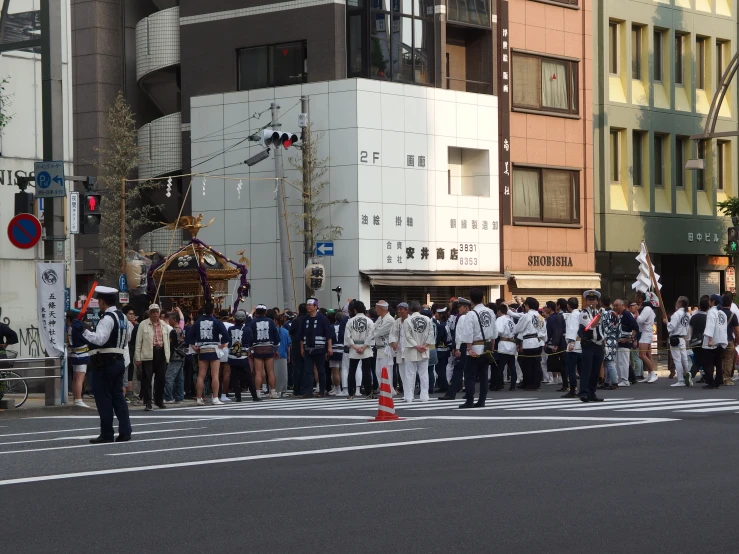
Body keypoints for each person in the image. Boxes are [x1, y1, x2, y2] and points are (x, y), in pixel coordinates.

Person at [73, 286, 132, 443]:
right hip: (119, 359)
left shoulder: (107, 318)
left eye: (98, 301)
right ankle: (125, 431)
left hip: (105, 362)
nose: (98, 304)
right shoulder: (123, 318)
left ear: (102, 301)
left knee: (103, 398)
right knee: (118, 397)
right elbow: (128, 337)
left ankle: (106, 433)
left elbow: (100, 339)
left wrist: (83, 331)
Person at [456, 288, 496, 408]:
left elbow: (468, 332)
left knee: (470, 376)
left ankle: (469, 400)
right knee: (483, 375)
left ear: (471, 300)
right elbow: (494, 332)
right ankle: (482, 400)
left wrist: (469, 349)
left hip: (475, 347)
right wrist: (492, 348)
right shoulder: (490, 312)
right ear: (483, 298)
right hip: (487, 347)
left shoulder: (471, 314)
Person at [187, 302, 229, 405]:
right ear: (213, 311)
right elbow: (226, 335)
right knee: (215, 375)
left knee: (201, 375)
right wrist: (222, 345)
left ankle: (198, 398)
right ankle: (215, 398)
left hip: (202, 349)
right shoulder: (217, 321)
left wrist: (193, 345)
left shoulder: (198, 322)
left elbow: (188, 336)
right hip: (214, 348)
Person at [134, 303, 172, 411]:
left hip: (161, 353)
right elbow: (138, 342)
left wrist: (167, 356)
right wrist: (138, 358)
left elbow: (167, 342)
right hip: (148, 353)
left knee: (161, 379)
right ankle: (148, 402)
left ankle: (159, 401)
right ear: (149, 313)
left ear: (159, 313)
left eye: (157, 312)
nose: (155, 314)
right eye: (153, 312)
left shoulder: (164, 324)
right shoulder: (143, 324)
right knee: (147, 379)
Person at [400, 301, 435, 403]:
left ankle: (409, 397)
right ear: (420, 309)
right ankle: (424, 396)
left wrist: (416, 346)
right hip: (424, 350)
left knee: (410, 374)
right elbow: (431, 334)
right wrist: (424, 345)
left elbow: (408, 336)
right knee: (424, 374)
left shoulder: (407, 321)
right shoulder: (427, 319)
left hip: (411, 349)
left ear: (409, 310)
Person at [297, 298, 333, 398]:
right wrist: (302, 348)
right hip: (308, 348)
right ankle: (309, 391)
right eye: (307, 305)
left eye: (310, 305)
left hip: (320, 348)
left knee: (321, 370)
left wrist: (329, 347)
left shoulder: (322, 318)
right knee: (308, 370)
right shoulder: (305, 319)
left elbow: (328, 334)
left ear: (316, 307)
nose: (308, 307)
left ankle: (322, 391)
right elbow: (301, 335)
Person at [577, 290, 607, 403]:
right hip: (589, 344)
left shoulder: (599, 313)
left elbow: (602, 329)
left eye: (593, 300)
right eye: (589, 300)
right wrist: (599, 316)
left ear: (597, 301)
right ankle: (584, 393)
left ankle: (592, 393)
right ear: (586, 301)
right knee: (586, 370)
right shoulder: (584, 313)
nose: (591, 302)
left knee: (595, 371)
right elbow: (590, 327)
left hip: (599, 345)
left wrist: (605, 342)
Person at [247, 305, 280, 398]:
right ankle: (273, 392)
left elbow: (250, 335)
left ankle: (257, 393)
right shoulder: (270, 321)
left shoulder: (253, 322)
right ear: (265, 312)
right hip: (269, 347)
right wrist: (276, 347)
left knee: (258, 372)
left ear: (256, 312)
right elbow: (276, 336)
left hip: (257, 348)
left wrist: (250, 348)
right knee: (270, 371)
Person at [514, 297, 547, 391]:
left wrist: (517, 339)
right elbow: (544, 331)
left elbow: (518, 329)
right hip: (538, 342)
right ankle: (535, 383)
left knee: (527, 364)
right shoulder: (541, 317)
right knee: (536, 363)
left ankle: (530, 383)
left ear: (527, 305)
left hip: (529, 342)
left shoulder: (526, 316)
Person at [344, 301, 375, 399]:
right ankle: (368, 392)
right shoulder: (369, 321)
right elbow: (371, 335)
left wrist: (354, 346)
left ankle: (350, 393)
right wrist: (364, 346)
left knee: (352, 370)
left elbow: (347, 336)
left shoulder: (350, 321)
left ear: (355, 310)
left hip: (354, 347)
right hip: (365, 347)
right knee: (366, 370)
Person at [227, 309, 260, 402]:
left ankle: (238, 397)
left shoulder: (230, 329)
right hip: (243, 355)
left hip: (232, 355)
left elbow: (228, 341)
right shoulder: (247, 329)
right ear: (244, 319)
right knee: (248, 376)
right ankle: (254, 396)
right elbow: (250, 341)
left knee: (234, 377)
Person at [439, 300, 469, 400]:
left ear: (466, 308)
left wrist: (457, 348)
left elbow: (459, 334)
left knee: (458, 369)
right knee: (470, 371)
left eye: (461, 307)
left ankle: (451, 393)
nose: (459, 309)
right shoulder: (474, 316)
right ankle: (469, 392)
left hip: (464, 345)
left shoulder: (463, 317)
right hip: (474, 345)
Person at [663, 296, 691, 387]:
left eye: (677, 302)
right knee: (684, 359)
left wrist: (666, 322)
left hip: (675, 338)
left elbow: (671, 327)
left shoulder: (677, 314)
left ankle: (681, 380)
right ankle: (688, 376)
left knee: (677, 360)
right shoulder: (688, 314)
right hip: (683, 338)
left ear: (680, 303)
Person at [65, 309, 91, 408]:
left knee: (75, 378)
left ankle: (76, 398)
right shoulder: (78, 327)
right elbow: (86, 338)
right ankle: (79, 399)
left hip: (74, 354)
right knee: (80, 378)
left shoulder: (70, 327)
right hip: (81, 354)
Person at [702, 293, 729, 389]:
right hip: (721, 341)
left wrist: (710, 340)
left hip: (713, 340)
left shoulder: (711, 312)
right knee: (718, 362)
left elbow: (711, 326)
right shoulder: (722, 313)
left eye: (710, 300)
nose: (708, 302)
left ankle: (710, 382)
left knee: (708, 362)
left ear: (713, 302)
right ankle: (718, 380)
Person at [613, 299, 638, 387]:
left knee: (624, 362)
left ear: (622, 305)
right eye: (614, 305)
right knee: (619, 362)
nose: (615, 307)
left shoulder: (626, 314)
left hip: (625, 341)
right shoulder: (619, 315)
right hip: (619, 341)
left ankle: (625, 379)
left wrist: (631, 338)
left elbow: (635, 326)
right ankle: (622, 378)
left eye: (617, 305)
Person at [372, 301, 396, 394]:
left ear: (381, 309)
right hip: (379, 348)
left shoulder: (389, 320)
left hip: (386, 348)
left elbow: (378, 332)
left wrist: (374, 332)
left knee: (386, 371)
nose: (375, 310)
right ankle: (384, 389)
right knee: (378, 371)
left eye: (377, 308)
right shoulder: (380, 318)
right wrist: (374, 332)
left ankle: (388, 390)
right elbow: (373, 329)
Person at [164, 310, 186, 403]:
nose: (169, 321)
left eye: (170, 319)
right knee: (179, 378)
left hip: (174, 357)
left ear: (174, 320)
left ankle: (168, 397)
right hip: (181, 356)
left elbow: (170, 345)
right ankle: (179, 396)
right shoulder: (181, 330)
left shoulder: (173, 332)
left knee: (169, 377)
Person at [561, 297, 582, 398]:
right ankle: (582, 389)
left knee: (571, 369)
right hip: (581, 345)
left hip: (573, 345)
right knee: (581, 369)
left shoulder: (572, 316)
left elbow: (572, 329)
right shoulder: (581, 314)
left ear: (568, 306)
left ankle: (573, 389)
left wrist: (572, 343)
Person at [636, 291, 658, 383]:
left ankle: (652, 373)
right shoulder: (648, 308)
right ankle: (650, 375)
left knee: (642, 355)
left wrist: (636, 312)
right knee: (648, 355)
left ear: (641, 299)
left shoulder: (647, 308)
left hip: (646, 333)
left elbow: (640, 320)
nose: (635, 299)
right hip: (647, 332)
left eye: (636, 297)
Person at [494, 304, 516, 391]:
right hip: (512, 344)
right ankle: (513, 386)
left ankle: (499, 384)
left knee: (501, 366)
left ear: (499, 311)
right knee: (512, 366)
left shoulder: (500, 319)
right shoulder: (510, 320)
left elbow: (499, 331)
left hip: (504, 344)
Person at [389, 302, 410, 397]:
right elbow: (392, 333)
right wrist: (393, 342)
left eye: (401, 309)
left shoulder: (411, 320)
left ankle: (409, 393)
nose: (399, 311)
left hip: (409, 349)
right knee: (401, 372)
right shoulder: (397, 321)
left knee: (409, 372)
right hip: (399, 349)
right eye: (398, 309)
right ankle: (406, 392)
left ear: (407, 310)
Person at [543, 300, 566, 387]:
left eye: (546, 307)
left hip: (553, 341)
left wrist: (549, 341)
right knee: (559, 360)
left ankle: (555, 379)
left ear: (550, 308)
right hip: (560, 341)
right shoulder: (559, 316)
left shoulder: (552, 318)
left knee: (553, 360)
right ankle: (559, 378)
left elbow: (552, 331)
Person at [720, 292, 739, 386]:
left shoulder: (718, 313)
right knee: (729, 359)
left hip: (718, 340)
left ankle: (719, 377)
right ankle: (727, 378)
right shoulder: (733, 315)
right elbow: (736, 329)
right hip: (728, 339)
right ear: (731, 303)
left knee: (719, 359)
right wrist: (737, 340)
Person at [689, 296, 709, 381]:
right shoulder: (708, 317)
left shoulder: (694, 317)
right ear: (708, 307)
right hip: (705, 341)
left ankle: (692, 374)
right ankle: (693, 374)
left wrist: (689, 341)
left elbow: (690, 331)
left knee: (698, 359)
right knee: (704, 360)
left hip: (694, 342)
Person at [433, 306, 450, 392]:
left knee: (439, 368)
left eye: (437, 314)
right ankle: (444, 385)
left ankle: (444, 386)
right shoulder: (445, 324)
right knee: (442, 368)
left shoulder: (440, 326)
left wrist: (434, 345)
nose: (435, 315)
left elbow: (438, 338)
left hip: (440, 349)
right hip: (446, 349)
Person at [123, 307, 139, 403]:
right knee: (129, 372)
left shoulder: (133, 325)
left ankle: (129, 393)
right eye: (130, 314)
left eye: (133, 314)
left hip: (130, 350)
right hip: (128, 349)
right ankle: (128, 393)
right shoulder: (128, 324)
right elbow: (129, 338)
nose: (132, 316)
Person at [275, 314, 291, 396]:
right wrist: (289, 356)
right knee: (283, 373)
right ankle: (283, 390)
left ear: (276, 321)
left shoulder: (273, 330)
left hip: (274, 354)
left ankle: (275, 389)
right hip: (283, 354)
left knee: (275, 372)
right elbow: (288, 345)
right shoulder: (286, 331)